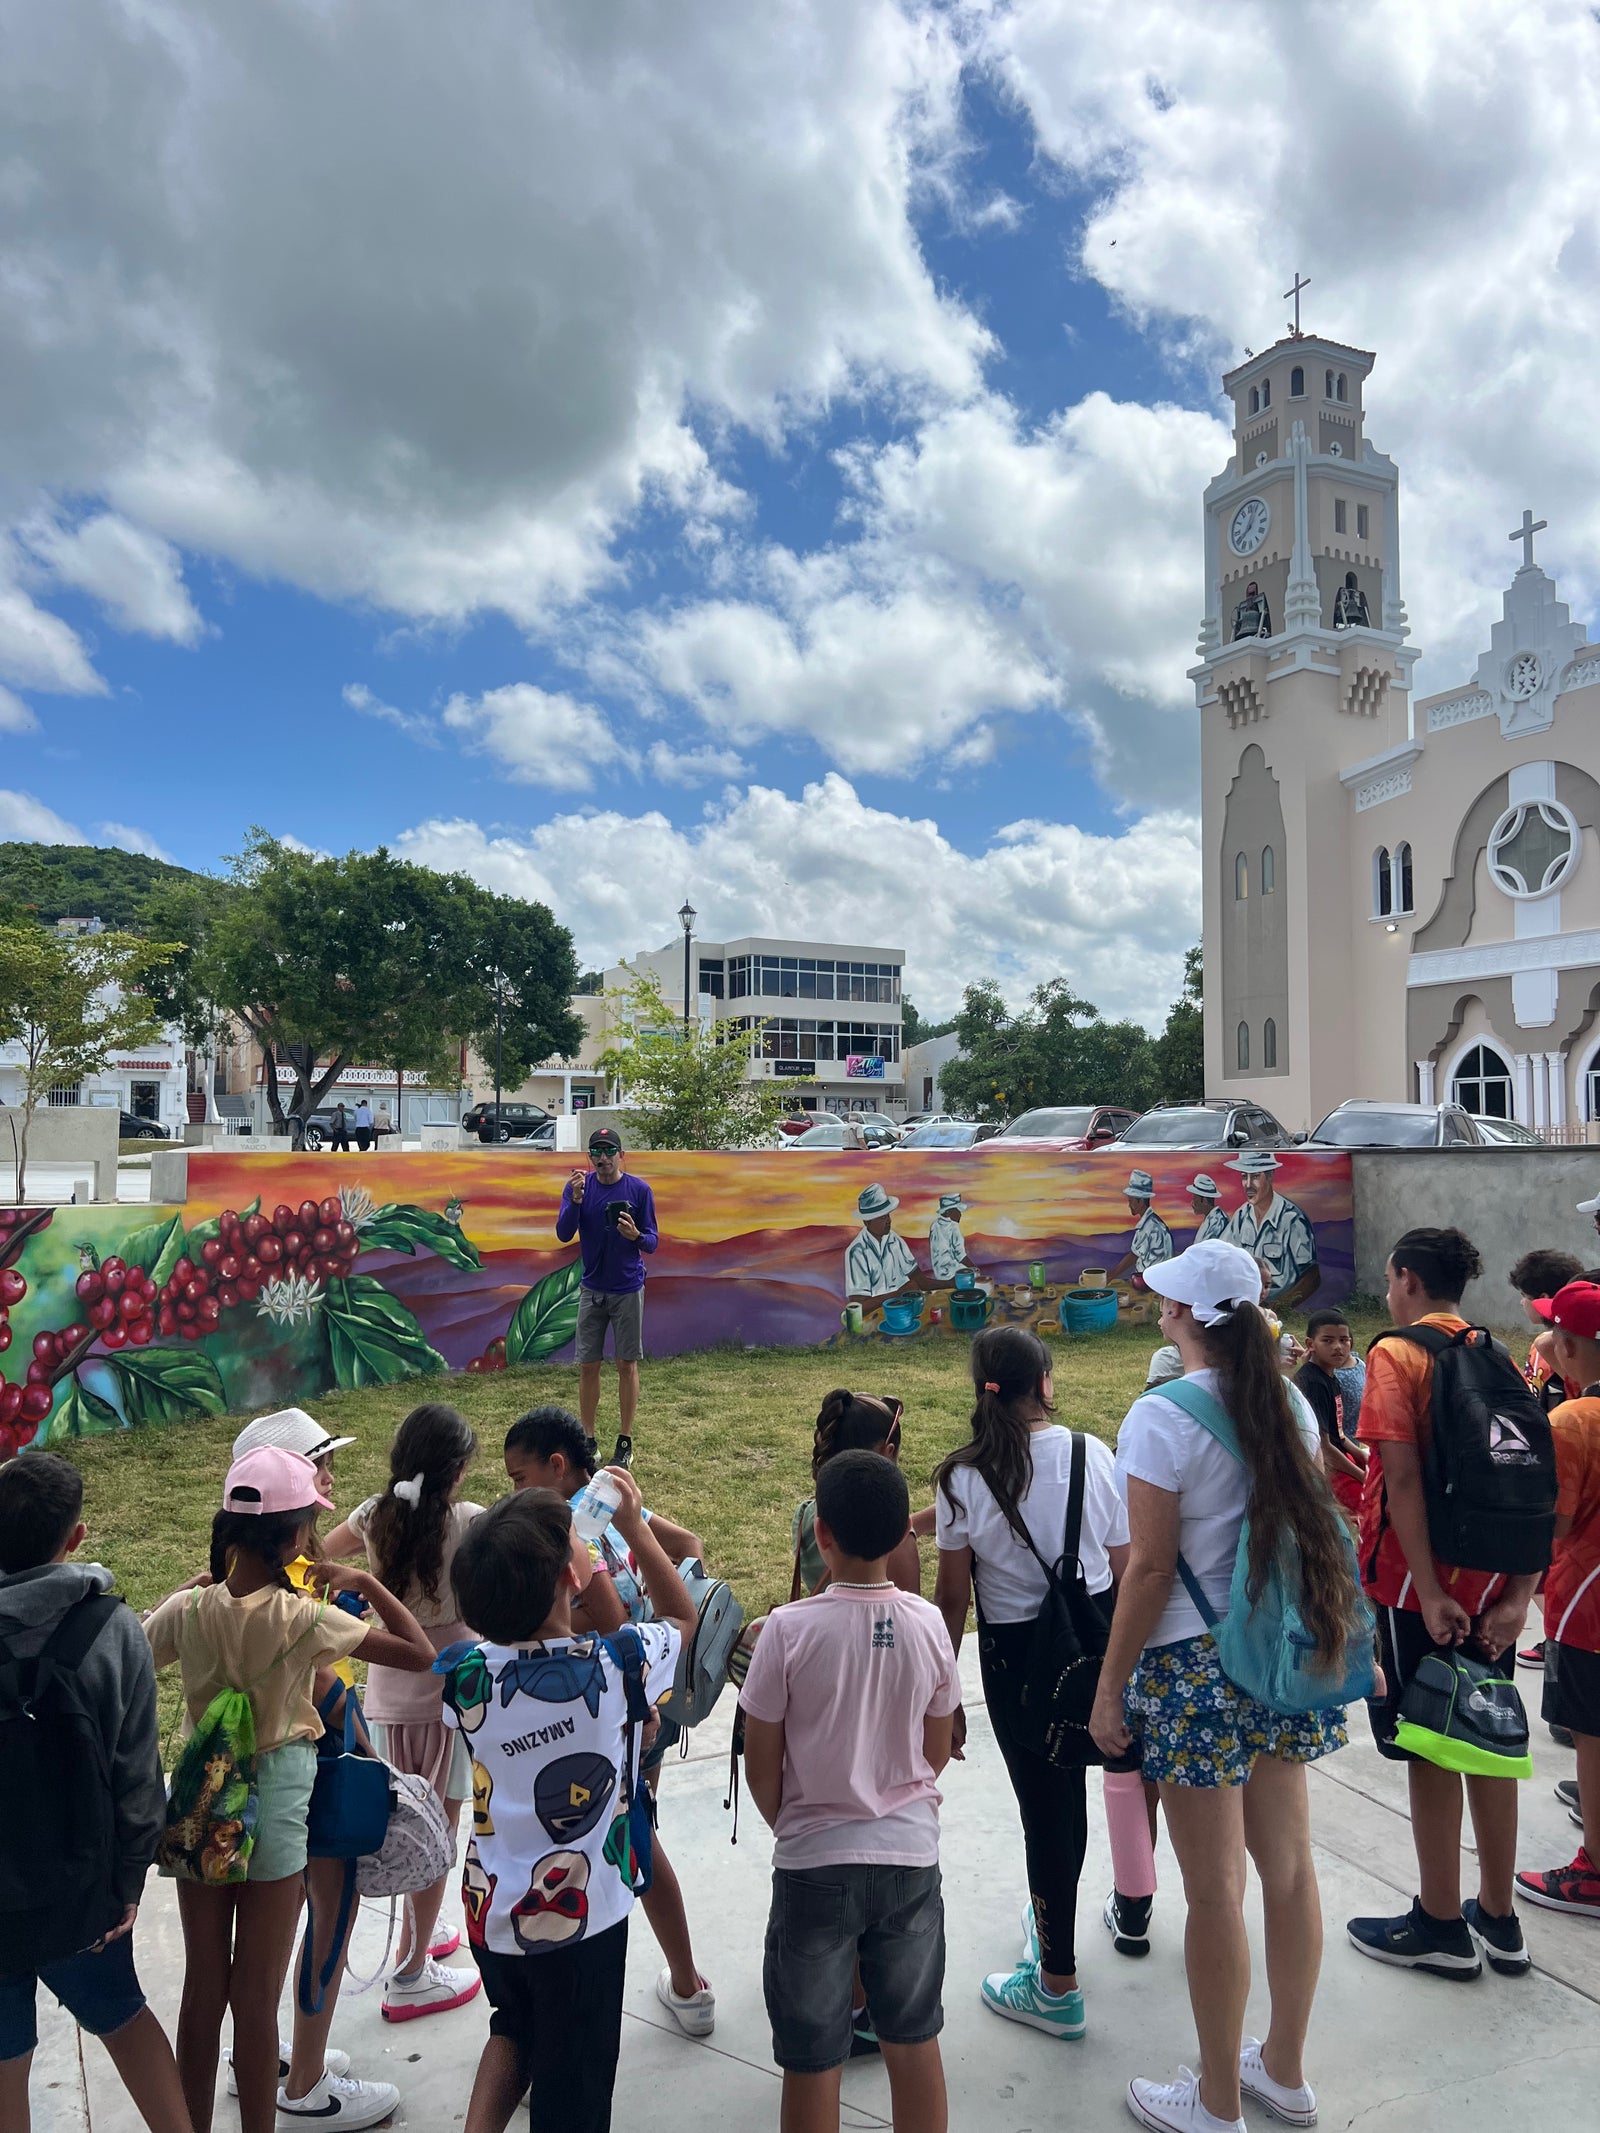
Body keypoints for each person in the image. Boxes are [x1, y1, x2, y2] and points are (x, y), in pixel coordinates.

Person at [1090, 1240, 1353, 2133]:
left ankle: (1214, 2104)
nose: (1157, 1312)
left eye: (1165, 1303)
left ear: (1187, 1320)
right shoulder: (1289, 1404)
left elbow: (1150, 1568)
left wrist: (1109, 1684)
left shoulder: (1159, 1416)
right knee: (1288, 1871)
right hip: (1274, 1654)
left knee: (1213, 1894)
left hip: (1190, 1668)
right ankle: (1283, 2068)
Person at [144, 1447, 435, 2133]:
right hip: (275, 1805)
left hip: (203, 1798)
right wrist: (366, 1578)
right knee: (256, 1996)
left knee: (202, 1988)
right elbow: (419, 1653)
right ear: (298, 1536)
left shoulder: (189, 1610)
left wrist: (182, 1594)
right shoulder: (303, 1619)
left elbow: (131, 1652)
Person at [442, 1471, 696, 2133]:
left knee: (514, 2029)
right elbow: (682, 1617)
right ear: (571, 1576)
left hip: (490, 1906)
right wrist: (634, 1525)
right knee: (573, 2086)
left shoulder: (467, 1672)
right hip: (579, 1921)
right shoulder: (614, 1665)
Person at [742, 1451, 958, 2133]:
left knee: (812, 2056)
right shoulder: (929, 1625)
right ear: (903, 1535)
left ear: (821, 1534)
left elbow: (761, 1761)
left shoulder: (787, 1628)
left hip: (812, 1865)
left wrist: (797, 1823)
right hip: (910, 1859)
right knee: (913, 2036)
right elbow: (934, 1749)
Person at [1347, 1227, 1542, 1981]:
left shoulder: (1397, 1353)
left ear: (1404, 1280)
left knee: (1430, 1744)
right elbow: (1533, 1485)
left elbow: (1397, 1477)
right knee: (1488, 1737)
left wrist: (1427, 1591)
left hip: (1417, 1585)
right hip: (1496, 1583)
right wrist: (1520, 1596)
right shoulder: (1498, 1354)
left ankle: (1437, 1919)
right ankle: (1498, 1913)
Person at [933, 1326, 1132, 2040]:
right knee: (1069, 1804)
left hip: (1017, 1660)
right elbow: (1124, 1562)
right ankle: (1053, 1930)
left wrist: (946, 1694)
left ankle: (1056, 1982)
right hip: (1097, 1644)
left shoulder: (961, 1476)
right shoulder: (1093, 1452)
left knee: (1046, 1810)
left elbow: (952, 1598)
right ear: (1043, 1381)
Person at [501, 1408, 715, 2037]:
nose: (515, 1490)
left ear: (556, 1467)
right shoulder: (626, 1514)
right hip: (648, 1698)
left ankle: (681, 1984)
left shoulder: (559, 1537)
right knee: (637, 1827)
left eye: (520, 1476)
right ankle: (686, 1985)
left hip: (600, 1707)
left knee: (628, 1839)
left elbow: (601, 1618)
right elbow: (690, 1548)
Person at [0, 1454, 189, 2133]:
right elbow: (138, 1769)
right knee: (125, 2017)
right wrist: (129, 1878)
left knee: (3, 2063)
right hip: (83, 1886)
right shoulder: (110, 1628)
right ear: (75, 1538)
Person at [320, 1403, 486, 2021]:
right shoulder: (470, 1521)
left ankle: (417, 1937)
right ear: (457, 1471)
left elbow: (315, 1560)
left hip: (386, 1691)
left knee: (399, 1820)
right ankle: (414, 1971)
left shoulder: (372, 1513)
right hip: (450, 1695)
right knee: (438, 1831)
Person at [1515, 1279, 1600, 1919]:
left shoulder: (1573, 1421)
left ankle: (1593, 1869)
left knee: (1591, 1734)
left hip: (1586, 1605)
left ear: (1566, 1347)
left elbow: (1559, 1520)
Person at [556, 1126, 658, 1470]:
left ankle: (625, 1441)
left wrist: (636, 1235)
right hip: (592, 1288)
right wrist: (575, 1201)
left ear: (621, 1154)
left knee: (626, 1365)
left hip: (627, 1288)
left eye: (608, 1151)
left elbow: (653, 1242)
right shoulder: (578, 1188)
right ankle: (588, 1439)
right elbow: (563, 1233)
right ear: (589, 1156)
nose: (602, 1158)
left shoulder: (639, 1190)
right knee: (588, 1366)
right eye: (595, 1152)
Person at [793, 1390, 927, 1601]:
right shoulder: (896, 1538)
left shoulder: (805, 1515)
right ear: (888, 1452)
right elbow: (906, 1608)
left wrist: (929, 1518)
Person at [1293, 1309, 1368, 1525]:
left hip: (1339, 1454)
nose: (1338, 1347)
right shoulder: (1313, 1383)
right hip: (1323, 1466)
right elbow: (1324, 1447)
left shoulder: (1331, 1378)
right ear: (1310, 1344)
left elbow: (1339, 1435)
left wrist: (1362, 1456)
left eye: (1344, 1340)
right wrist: (1361, 1476)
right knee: (1371, 1507)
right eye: (1328, 1340)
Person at [1222, 1151, 1318, 1308]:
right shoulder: (1241, 1215)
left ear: (1270, 1177)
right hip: (1247, 1305)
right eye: (1244, 1177)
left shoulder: (1292, 1219)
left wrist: (1278, 1307)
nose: (1248, 1184)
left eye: (1255, 1176)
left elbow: (1311, 1276)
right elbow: (1223, 1255)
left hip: (1275, 1308)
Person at [1511, 1247, 1584, 1410]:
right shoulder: (1542, 1345)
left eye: (1525, 1296)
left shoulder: (1548, 1345)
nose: (1522, 1303)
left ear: (1543, 1299)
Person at [844, 1184, 926, 1306]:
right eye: (882, 1217)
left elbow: (918, 1278)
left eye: (888, 1215)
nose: (889, 1220)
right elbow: (859, 1306)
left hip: (906, 1307)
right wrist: (899, 1293)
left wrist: (950, 1283)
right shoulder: (857, 1252)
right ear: (867, 1222)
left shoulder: (895, 1240)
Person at [1109, 1171, 1173, 1291]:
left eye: (1131, 1201)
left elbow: (1133, 1256)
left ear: (1140, 1201)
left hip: (1151, 1283)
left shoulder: (1149, 1226)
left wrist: (1110, 1276)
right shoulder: (1153, 1222)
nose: (1129, 1205)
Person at [927, 1193, 972, 1283]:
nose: (960, 1214)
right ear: (948, 1212)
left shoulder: (935, 1225)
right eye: (957, 1210)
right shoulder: (953, 1226)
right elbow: (960, 1255)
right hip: (954, 1272)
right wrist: (974, 1269)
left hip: (939, 1273)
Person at [1188, 1176, 1230, 1246]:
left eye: (1195, 1198)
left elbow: (1206, 1250)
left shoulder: (1217, 1222)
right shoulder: (1211, 1219)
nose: (1192, 1203)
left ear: (1204, 1200)